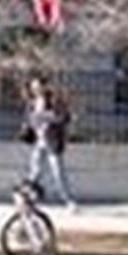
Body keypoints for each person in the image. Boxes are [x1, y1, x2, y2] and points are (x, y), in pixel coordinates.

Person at [23, 79, 77, 213]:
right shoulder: (32, 103)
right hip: (39, 142)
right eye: (33, 87)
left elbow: (65, 116)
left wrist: (46, 117)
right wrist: (29, 124)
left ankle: (68, 201)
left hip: (51, 142)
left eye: (38, 86)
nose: (35, 89)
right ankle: (29, 201)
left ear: (43, 87)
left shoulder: (53, 100)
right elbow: (30, 119)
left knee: (57, 173)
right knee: (35, 172)